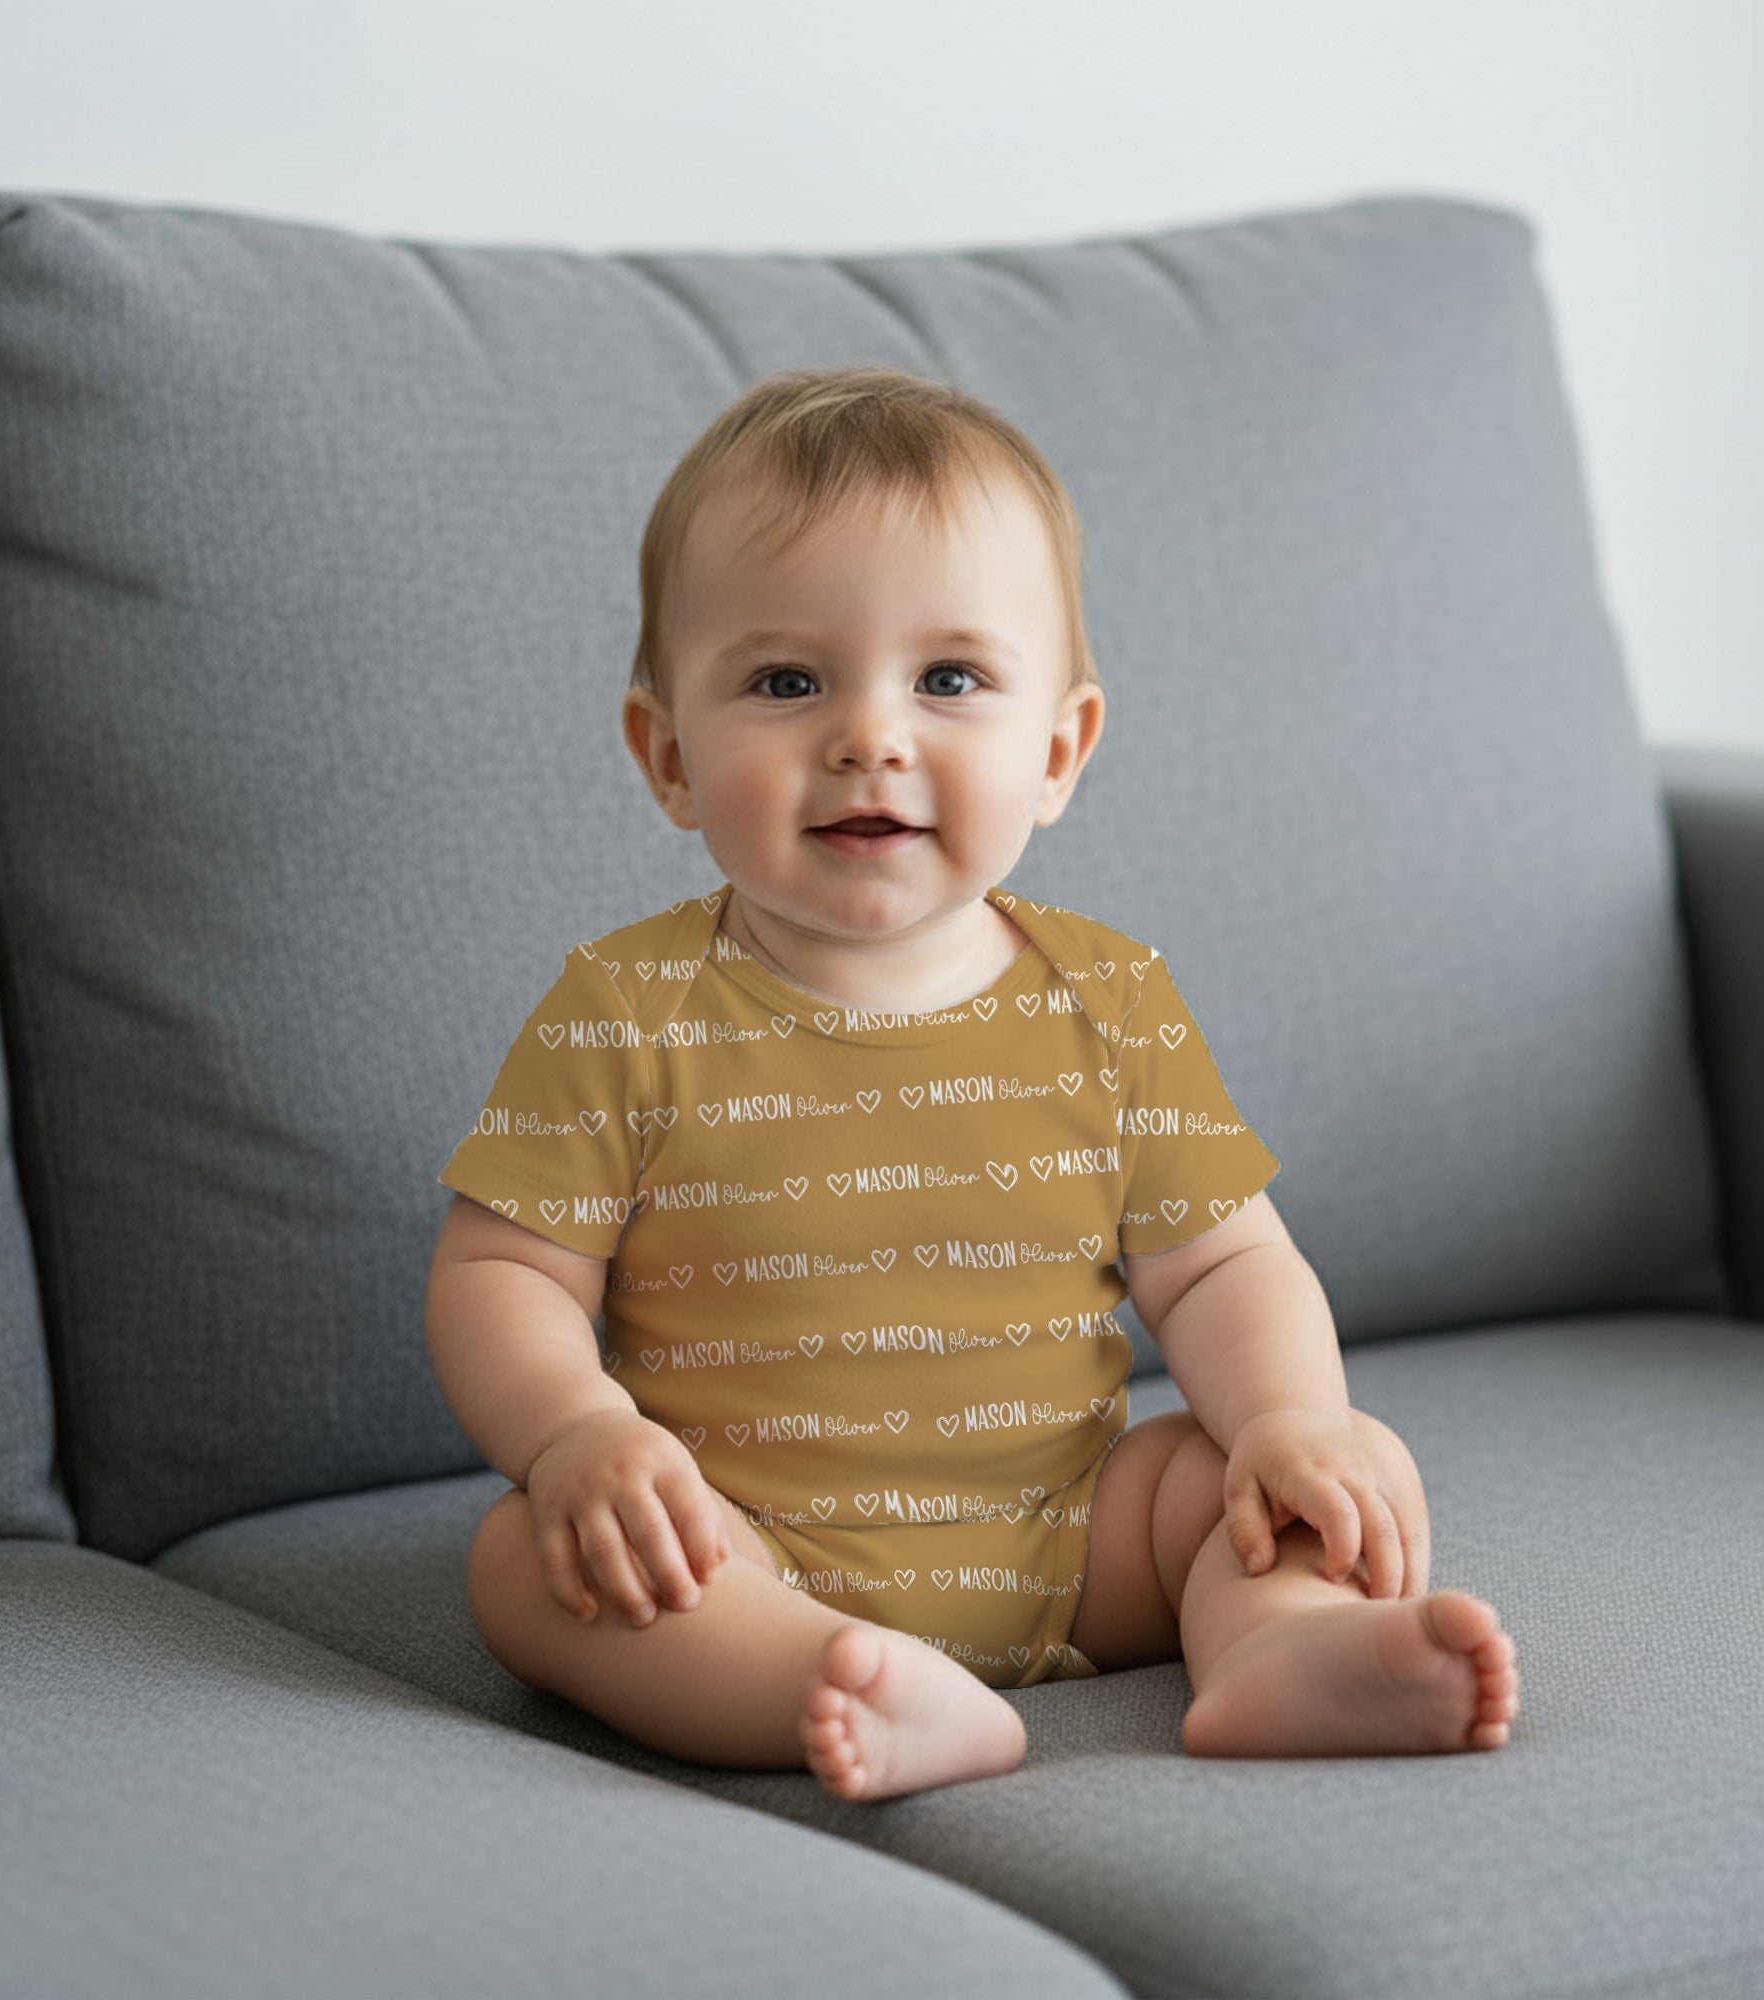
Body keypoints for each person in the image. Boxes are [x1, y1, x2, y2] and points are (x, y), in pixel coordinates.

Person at [427, 364, 1519, 1802]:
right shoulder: (623, 1012)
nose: (869, 737)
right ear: (668, 755)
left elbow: (1222, 1268)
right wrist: (579, 1437)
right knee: (528, 1562)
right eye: (786, 681)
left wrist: (1287, 1421)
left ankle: (1281, 1646)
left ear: (1057, 751)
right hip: (737, 1544)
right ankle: (814, 1679)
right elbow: (502, 1274)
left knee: (1311, 1467)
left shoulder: (1110, 1002)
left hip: (1083, 1541)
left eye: (948, 680)